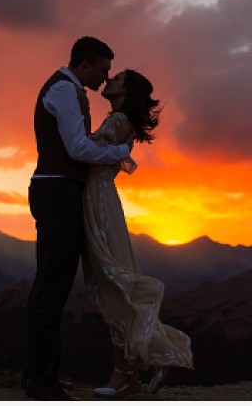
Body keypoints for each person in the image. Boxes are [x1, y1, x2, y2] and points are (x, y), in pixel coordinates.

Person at [24, 36, 133, 401]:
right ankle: (41, 382)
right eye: (103, 69)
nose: (106, 77)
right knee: (51, 287)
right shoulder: (62, 92)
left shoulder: (67, 91)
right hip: (57, 192)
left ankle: (42, 374)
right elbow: (77, 147)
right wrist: (121, 152)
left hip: (60, 190)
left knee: (51, 285)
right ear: (85, 64)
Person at [82, 69, 194, 398]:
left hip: (99, 202)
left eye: (115, 79)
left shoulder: (117, 121)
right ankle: (141, 363)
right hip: (101, 200)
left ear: (126, 90)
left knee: (113, 287)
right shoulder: (118, 120)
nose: (109, 81)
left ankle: (126, 374)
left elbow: (82, 152)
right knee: (111, 287)